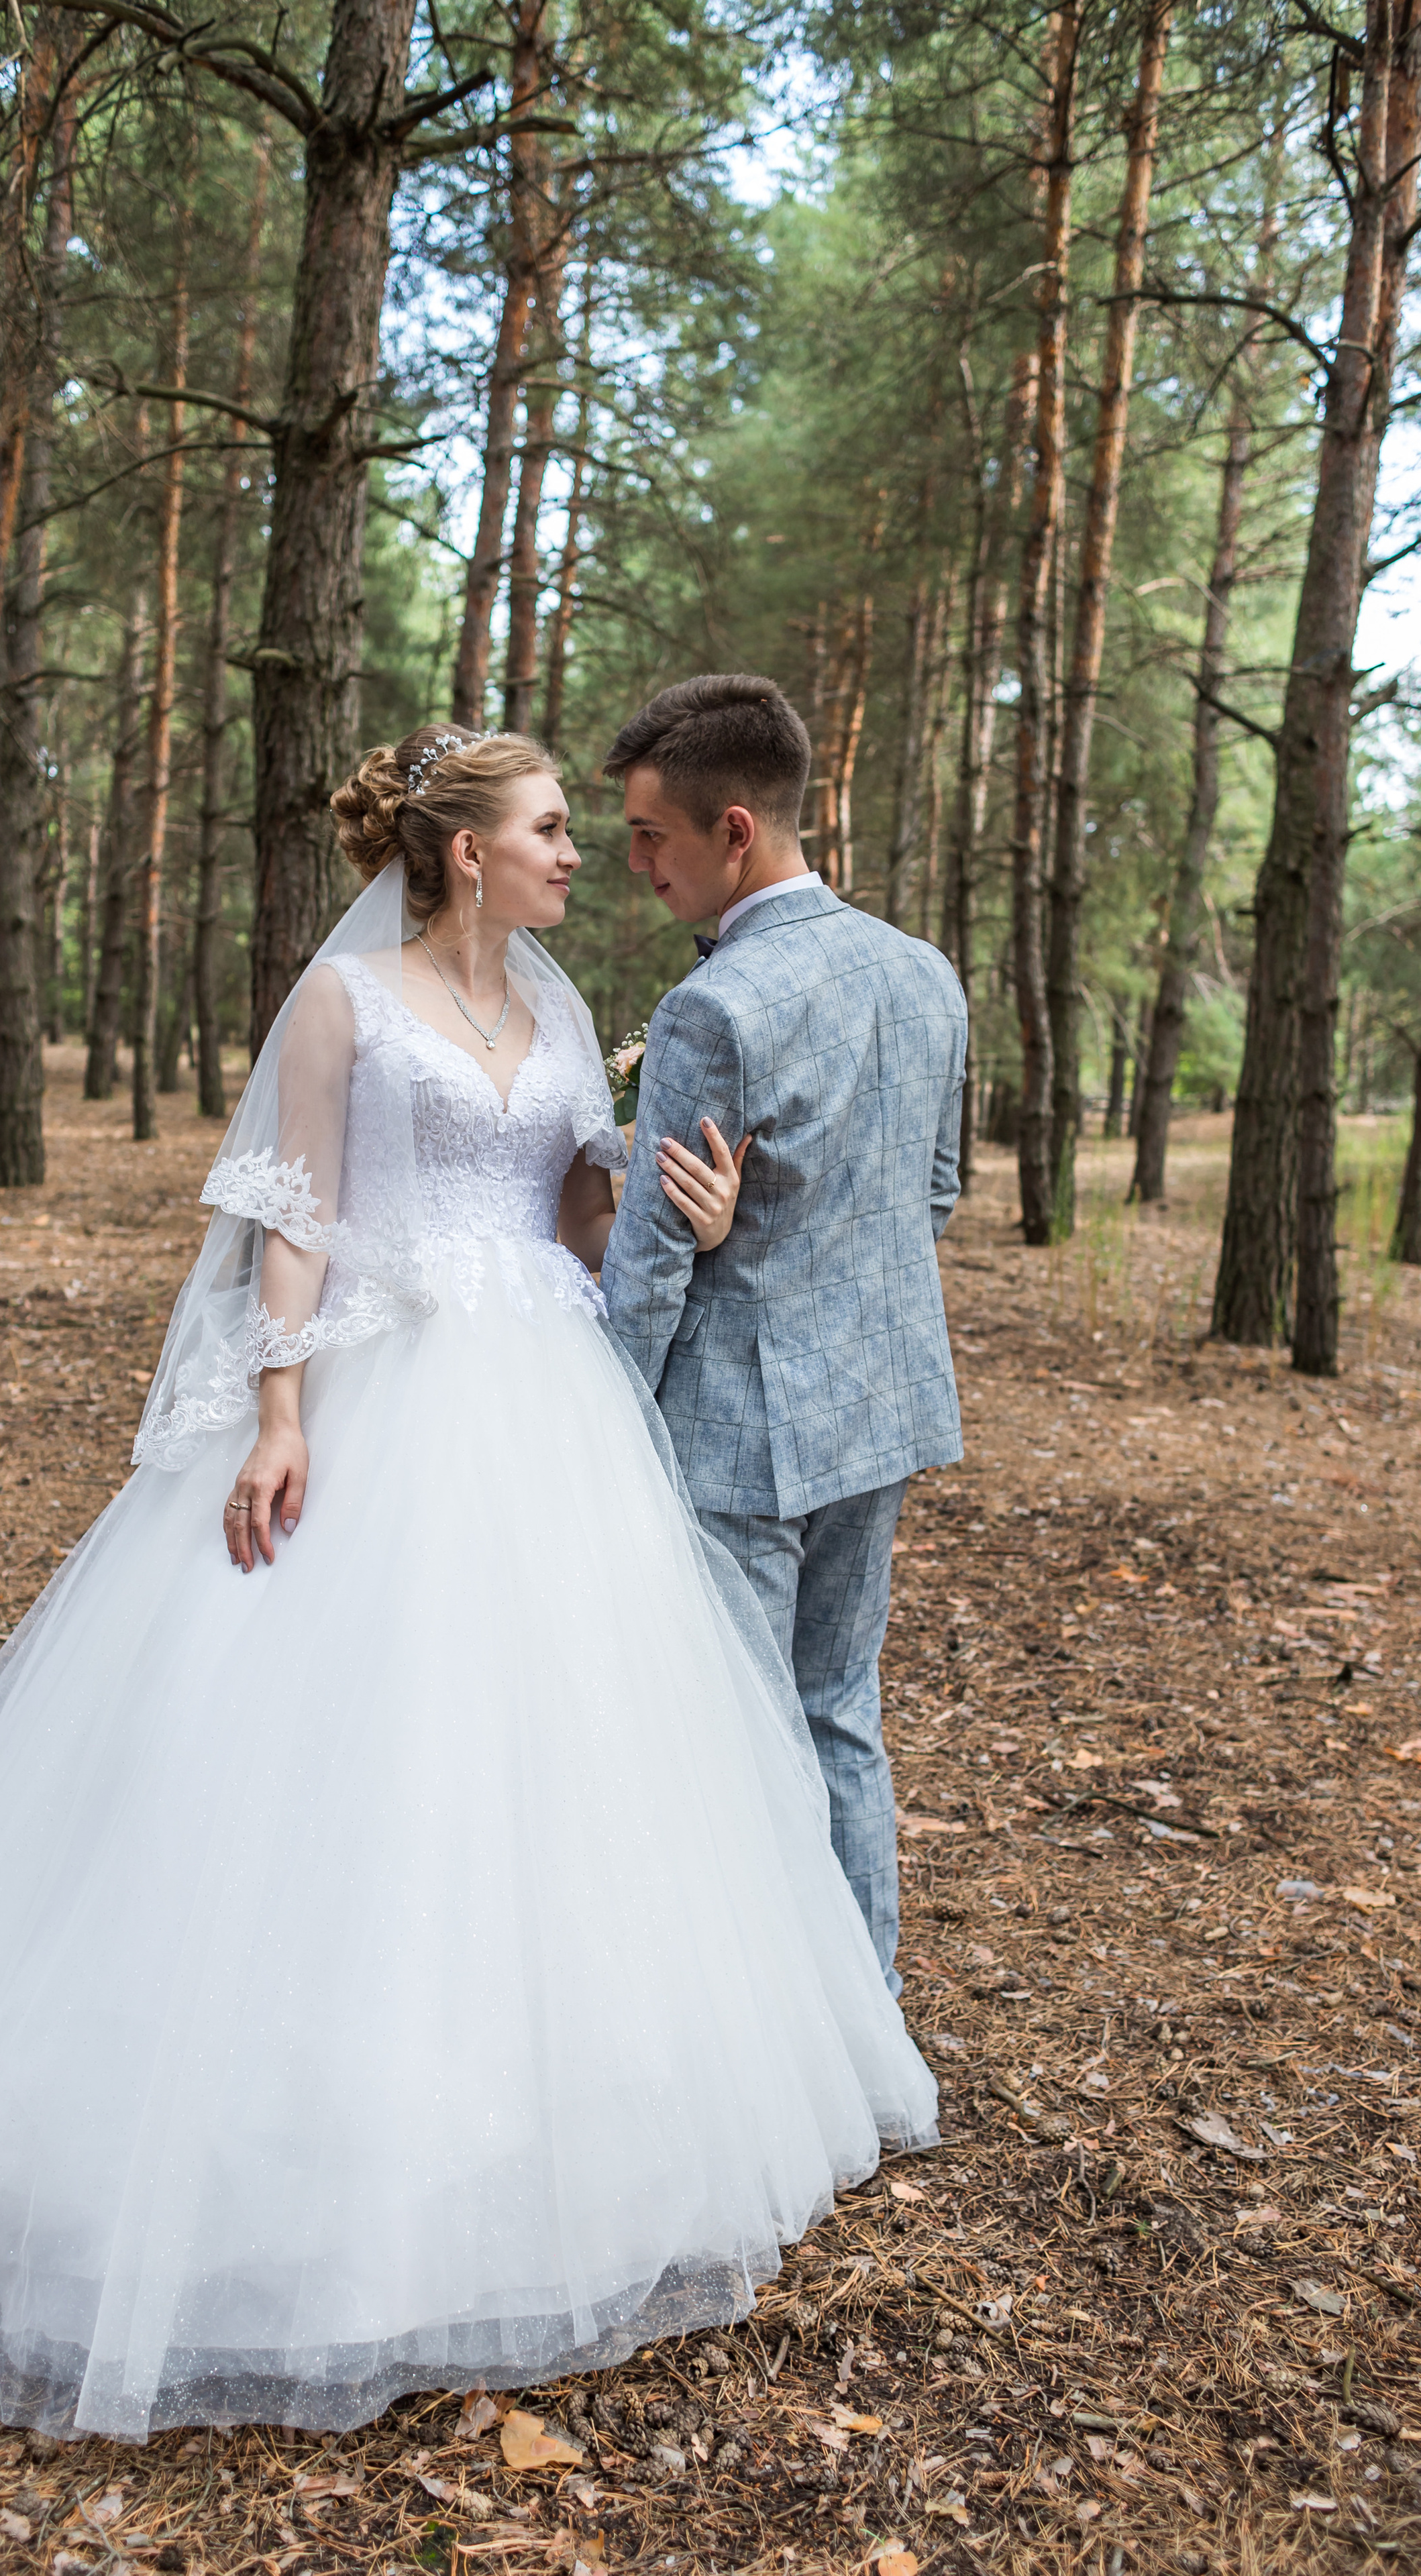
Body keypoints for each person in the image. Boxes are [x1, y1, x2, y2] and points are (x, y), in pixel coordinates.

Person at [0, 726, 937, 2446]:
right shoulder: (347, 1005)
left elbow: (574, 1224)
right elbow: (288, 1214)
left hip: (548, 1403)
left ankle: (567, 2126)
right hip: (390, 1391)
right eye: (549, 831)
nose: (576, 857)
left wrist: (672, 1202)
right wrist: (280, 1406)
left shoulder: (549, 1017)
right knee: (332, 1750)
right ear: (465, 852)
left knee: (563, 1760)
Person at [600, 676, 967, 2000]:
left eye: (652, 835)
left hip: (738, 1427)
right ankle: (857, 2024)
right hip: (879, 1409)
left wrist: (599, 1427)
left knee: (734, 1734)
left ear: (735, 829)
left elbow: (646, 1263)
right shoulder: (922, 973)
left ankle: (757, 2047)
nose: (634, 862)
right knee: (835, 1717)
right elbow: (930, 1197)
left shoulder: (712, 1010)